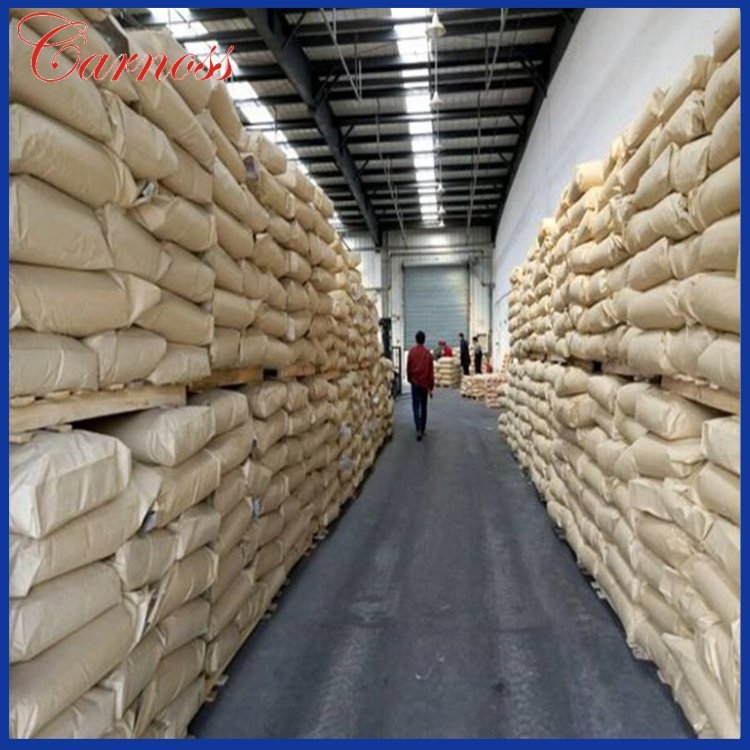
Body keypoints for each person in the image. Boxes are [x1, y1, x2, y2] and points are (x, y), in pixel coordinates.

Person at [406, 330, 434, 441]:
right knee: (424, 407)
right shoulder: (428, 354)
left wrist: (410, 379)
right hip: (424, 384)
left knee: (416, 407)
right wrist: (431, 387)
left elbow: (408, 368)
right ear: (424, 340)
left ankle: (418, 429)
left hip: (415, 383)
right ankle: (423, 429)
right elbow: (431, 372)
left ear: (416, 339)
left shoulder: (411, 352)